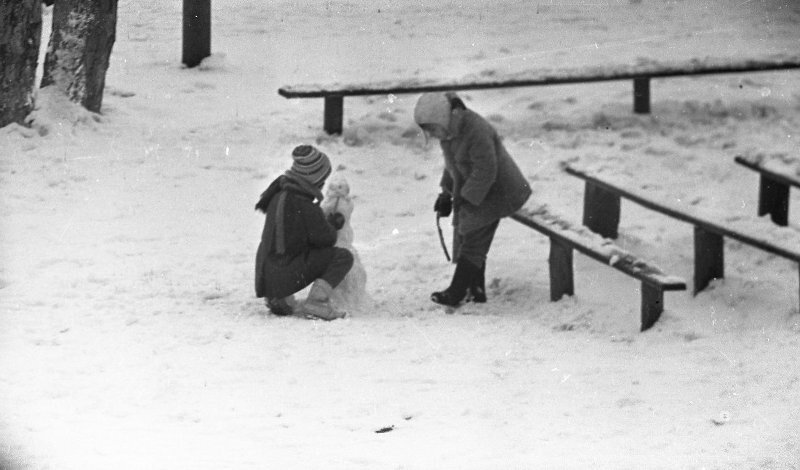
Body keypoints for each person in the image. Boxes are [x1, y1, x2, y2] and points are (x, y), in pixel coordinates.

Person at [413, 91, 532, 307]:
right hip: (478, 189)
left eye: (432, 129)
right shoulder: (449, 133)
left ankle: (457, 292)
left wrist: (465, 198)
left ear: (441, 118)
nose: (432, 135)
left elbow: (487, 170)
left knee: (473, 236)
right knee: (466, 231)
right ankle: (475, 290)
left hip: (500, 190)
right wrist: (446, 194)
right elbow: (452, 167)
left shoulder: (476, 130)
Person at [255, 145, 353, 320]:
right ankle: (317, 302)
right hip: (284, 272)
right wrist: (332, 223)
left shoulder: (278, 195)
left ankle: (278, 296)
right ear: (313, 179)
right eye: (322, 180)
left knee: (286, 254)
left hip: (267, 275)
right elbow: (327, 239)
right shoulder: (304, 204)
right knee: (342, 257)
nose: (323, 185)